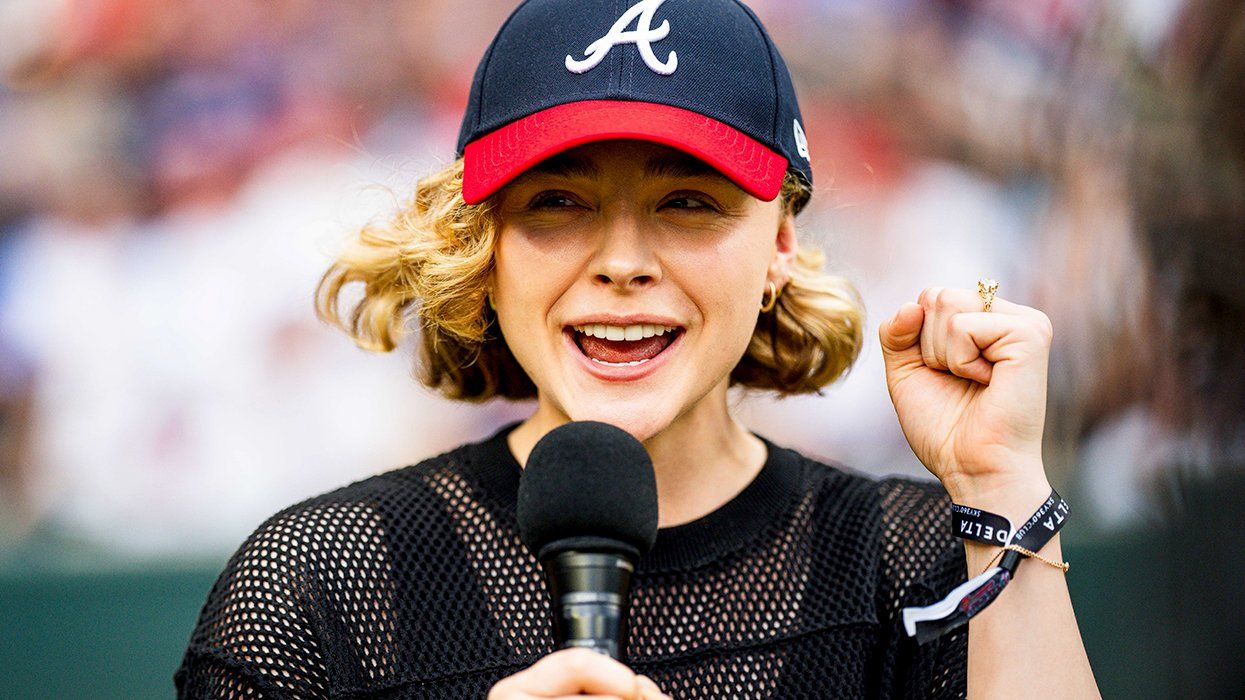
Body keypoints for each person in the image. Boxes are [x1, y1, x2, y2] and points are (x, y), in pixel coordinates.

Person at [176, 1, 1099, 697]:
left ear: (780, 244)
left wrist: (1000, 488)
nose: (621, 262)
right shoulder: (318, 585)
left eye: (687, 202)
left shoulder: (920, 565)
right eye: (558, 203)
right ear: (483, 244)